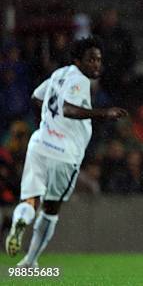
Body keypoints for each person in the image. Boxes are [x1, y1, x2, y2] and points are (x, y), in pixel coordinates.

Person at [4, 36, 128, 267]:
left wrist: (51, 122)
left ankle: (18, 225)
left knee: (30, 198)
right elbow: (69, 109)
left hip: (40, 144)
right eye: (91, 60)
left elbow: (36, 97)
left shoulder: (60, 74)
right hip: (64, 154)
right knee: (50, 209)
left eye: (99, 60)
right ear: (78, 61)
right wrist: (104, 113)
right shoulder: (80, 80)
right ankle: (30, 261)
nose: (96, 65)